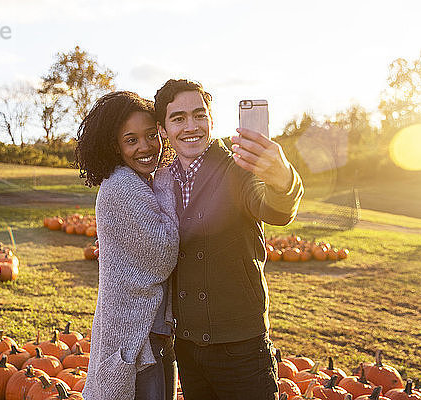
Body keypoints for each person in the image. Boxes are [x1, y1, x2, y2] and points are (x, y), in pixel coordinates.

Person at [154, 79, 304, 400]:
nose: (190, 126)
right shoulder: (163, 180)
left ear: (211, 118)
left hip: (241, 349)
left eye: (199, 114)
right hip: (189, 347)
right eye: (178, 118)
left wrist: (283, 179)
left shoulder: (238, 167)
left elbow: (274, 209)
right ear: (164, 130)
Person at [76, 91, 179, 400]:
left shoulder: (137, 181)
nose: (145, 147)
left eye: (151, 135)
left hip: (151, 330)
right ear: (115, 146)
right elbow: (163, 253)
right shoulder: (122, 185)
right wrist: (165, 183)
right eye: (131, 140)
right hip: (136, 336)